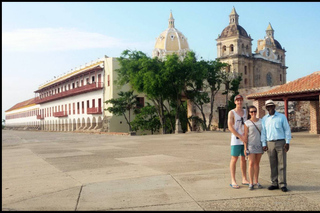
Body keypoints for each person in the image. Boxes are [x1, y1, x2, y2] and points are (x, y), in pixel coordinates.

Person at [261, 99, 292, 192]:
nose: (270, 108)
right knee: (272, 164)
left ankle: (282, 184)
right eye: (268, 107)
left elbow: (287, 129)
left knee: (282, 164)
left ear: (274, 107)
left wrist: (287, 142)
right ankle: (274, 183)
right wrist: (263, 144)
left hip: (280, 142)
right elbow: (263, 132)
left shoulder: (281, 117)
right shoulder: (264, 119)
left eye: (271, 106)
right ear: (266, 108)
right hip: (269, 143)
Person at [228, 94, 249, 189]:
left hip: (244, 139)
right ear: (235, 102)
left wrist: (246, 136)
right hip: (236, 139)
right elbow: (230, 127)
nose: (239, 102)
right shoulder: (232, 113)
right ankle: (233, 179)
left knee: (244, 158)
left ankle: (244, 178)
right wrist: (240, 136)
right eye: (237, 100)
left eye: (241, 100)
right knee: (234, 159)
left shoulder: (245, 111)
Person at [243, 105, 264, 190]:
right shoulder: (247, 123)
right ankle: (251, 182)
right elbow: (245, 135)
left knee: (257, 164)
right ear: (249, 113)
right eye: (251, 112)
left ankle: (256, 181)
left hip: (259, 144)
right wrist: (245, 147)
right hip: (251, 145)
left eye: (255, 111)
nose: (253, 113)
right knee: (251, 163)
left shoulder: (261, 121)